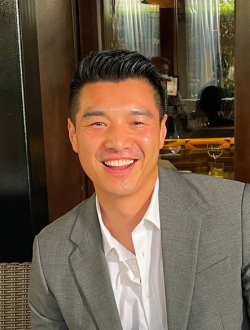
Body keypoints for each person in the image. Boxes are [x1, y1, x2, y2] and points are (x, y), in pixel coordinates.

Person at [28, 49, 250, 330]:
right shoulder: (51, 252)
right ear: (73, 135)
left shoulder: (235, 212)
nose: (118, 142)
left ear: (160, 131)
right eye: (98, 123)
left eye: (137, 122)